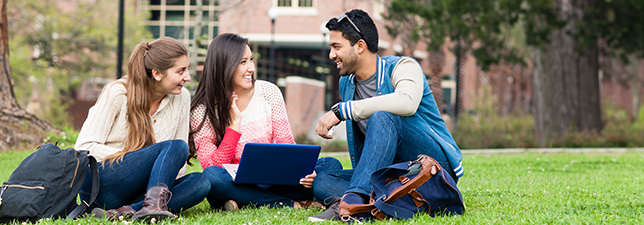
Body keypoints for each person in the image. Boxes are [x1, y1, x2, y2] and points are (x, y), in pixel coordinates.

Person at [308, 9, 464, 221]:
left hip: (431, 167)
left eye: (337, 47)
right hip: (388, 174)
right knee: (323, 181)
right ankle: (385, 204)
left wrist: (343, 110)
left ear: (360, 46)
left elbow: (406, 102)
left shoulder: (404, 67)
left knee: (383, 116)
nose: (331, 55)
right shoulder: (347, 82)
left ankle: (354, 200)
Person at [189, 33, 342, 211]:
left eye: (251, 60)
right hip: (234, 183)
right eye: (243, 62)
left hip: (274, 181)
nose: (251, 68)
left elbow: (287, 145)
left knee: (331, 166)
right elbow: (212, 166)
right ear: (224, 65)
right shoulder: (202, 110)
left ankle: (245, 202)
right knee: (212, 177)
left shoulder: (268, 92)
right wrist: (234, 124)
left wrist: (305, 171)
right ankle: (288, 204)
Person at [74, 37, 210, 222]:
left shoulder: (182, 97)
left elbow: (178, 168)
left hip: (143, 191)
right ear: (157, 74)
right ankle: (150, 206)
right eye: (180, 71)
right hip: (102, 187)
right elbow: (84, 147)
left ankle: (129, 211)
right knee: (176, 146)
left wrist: (159, 174)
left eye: (187, 70)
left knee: (201, 183)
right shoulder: (118, 92)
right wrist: (138, 159)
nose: (187, 77)